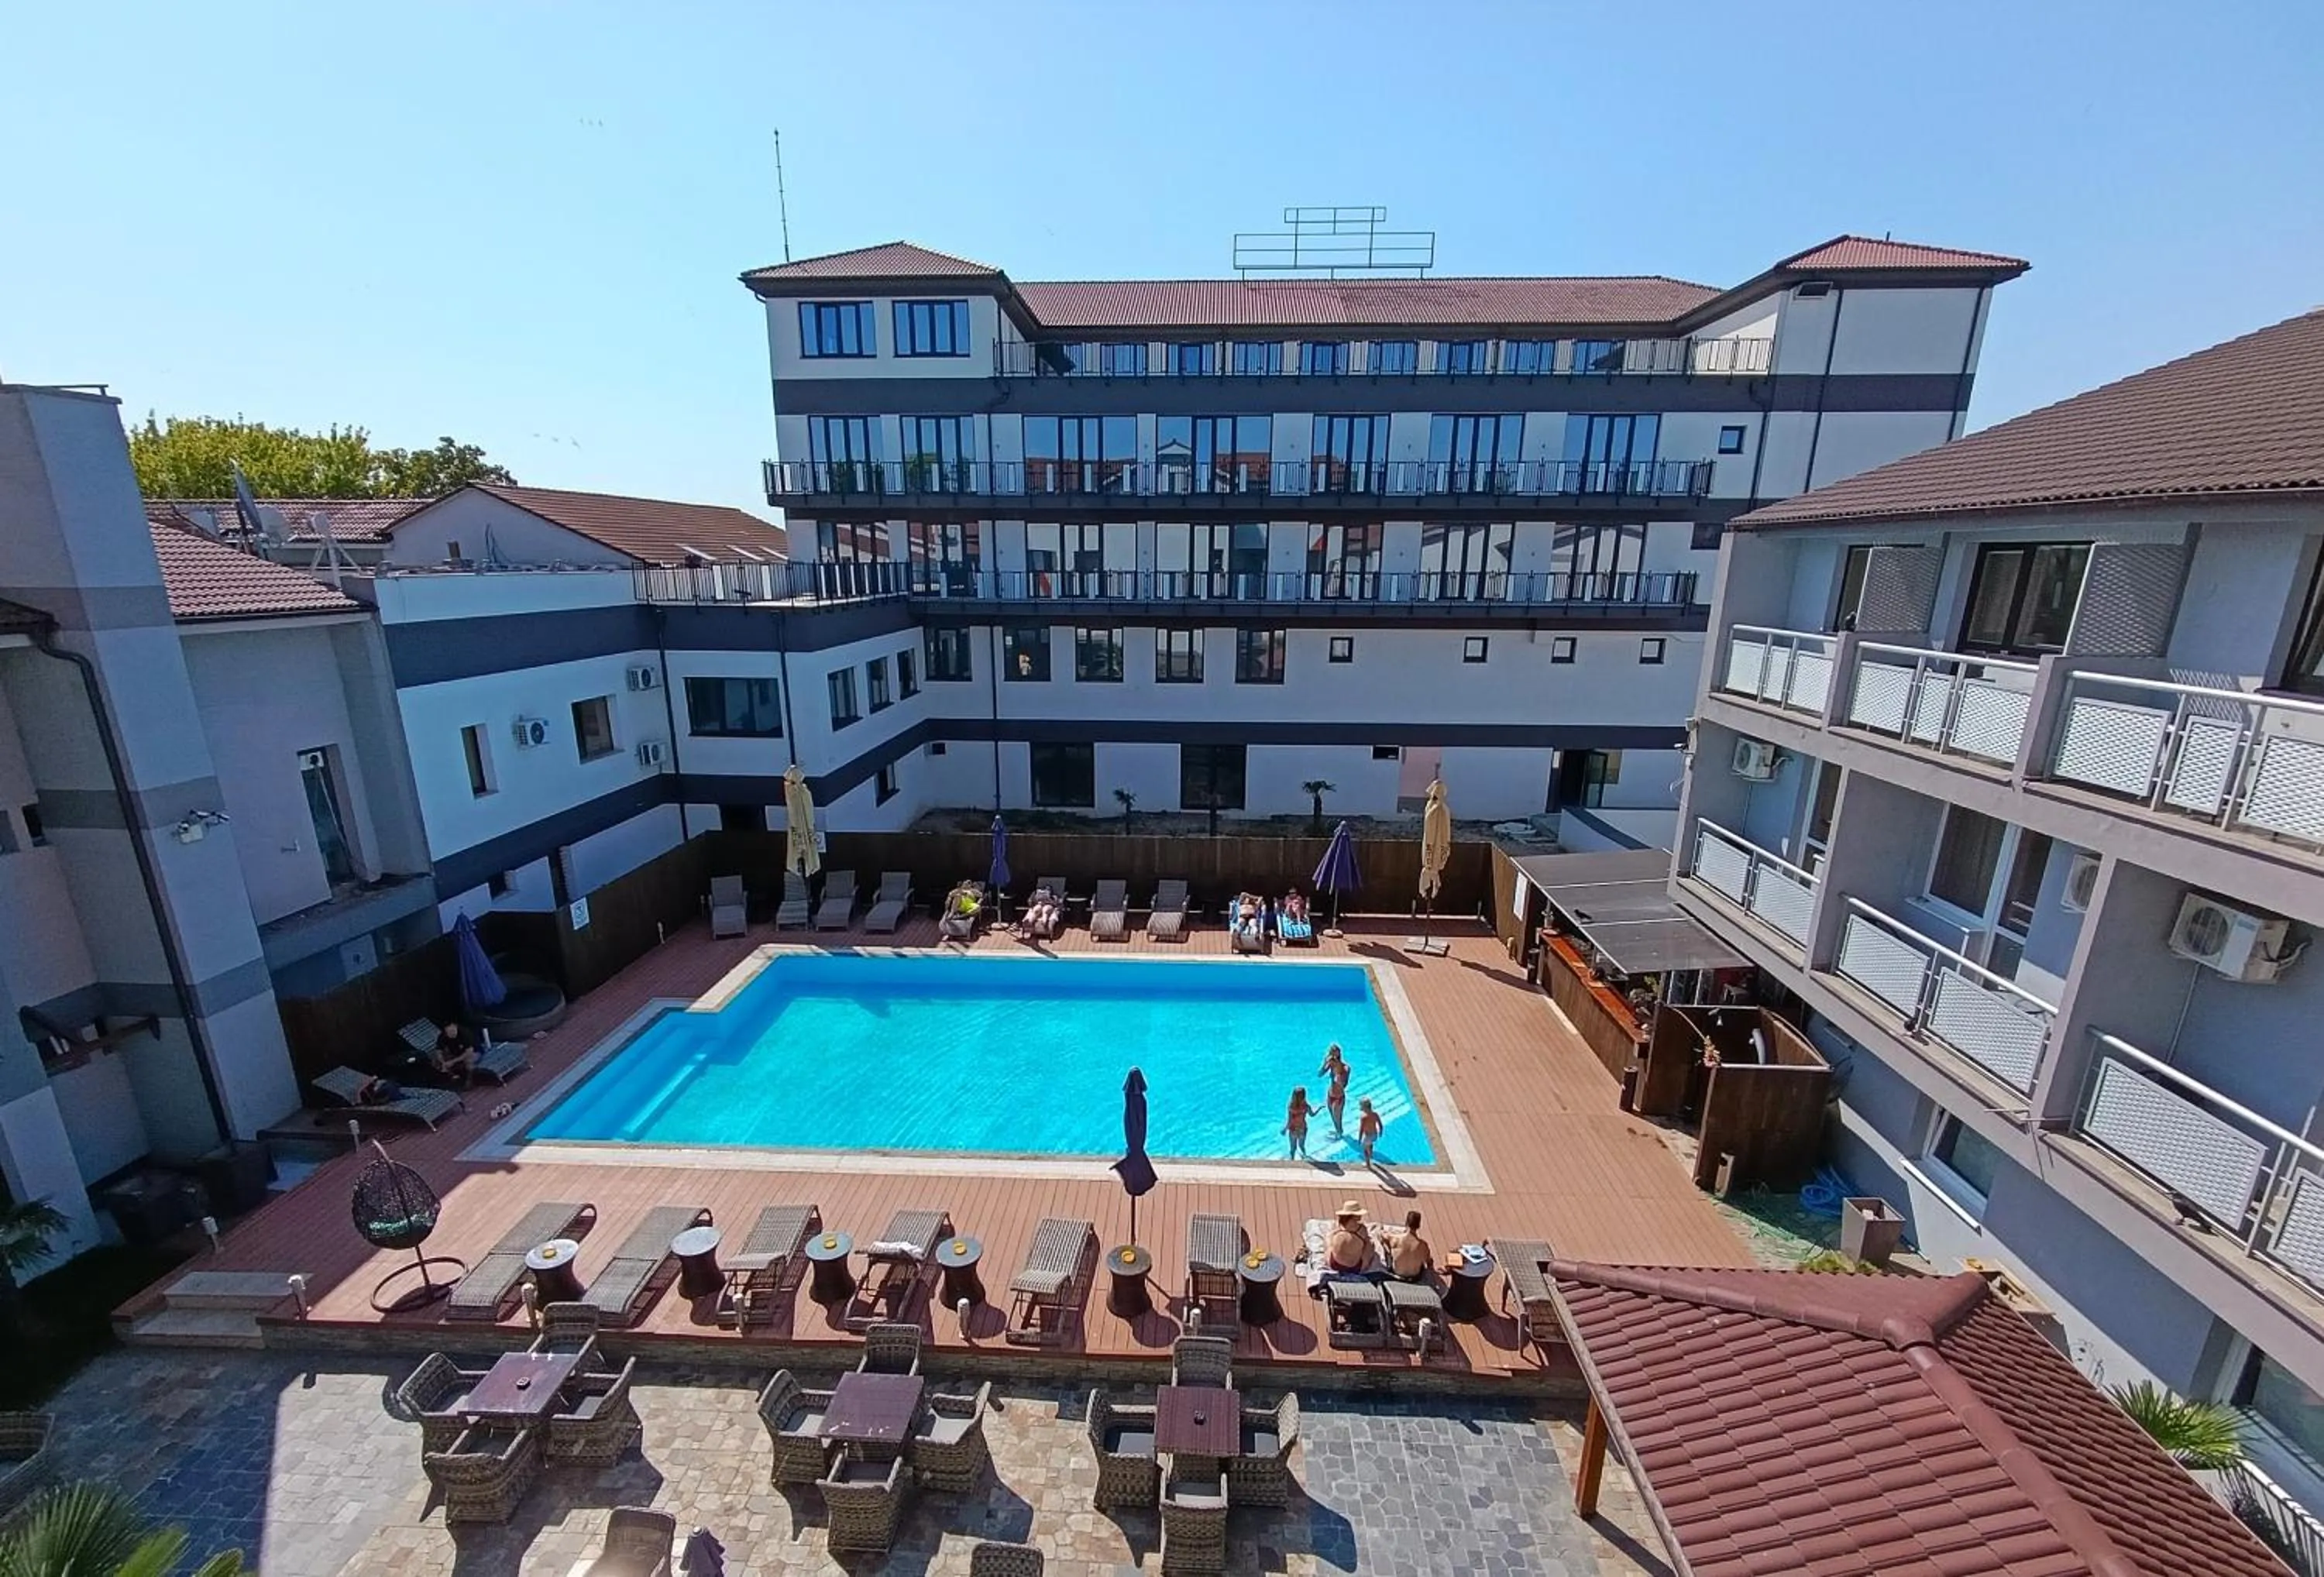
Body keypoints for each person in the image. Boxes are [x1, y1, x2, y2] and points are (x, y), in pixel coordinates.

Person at [1374, 1209, 1432, 1283]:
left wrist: (1389, 1247)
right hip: (1415, 1277)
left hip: (1397, 1274)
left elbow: (1381, 1235)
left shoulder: (1396, 1239)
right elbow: (1428, 1261)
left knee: (1387, 1248)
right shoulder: (1423, 1245)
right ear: (1419, 1226)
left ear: (1407, 1223)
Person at [1325, 1200, 1373, 1273]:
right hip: (1355, 1268)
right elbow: (1367, 1243)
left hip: (1334, 1264)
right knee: (1370, 1244)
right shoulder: (1362, 1229)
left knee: (1329, 1241)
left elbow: (1330, 1238)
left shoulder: (1338, 1226)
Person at [433, 1022, 480, 1087]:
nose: (452, 1034)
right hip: (455, 1053)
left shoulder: (465, 1034)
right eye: (449, 1032)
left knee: (469, 1062)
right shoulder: (442, 1036)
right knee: (436, 1060)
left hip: (473, 1052)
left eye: (453, 1031)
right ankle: (451, 1076)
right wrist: (443, 1062)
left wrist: (453, 1061)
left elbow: (469, 1052)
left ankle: (470, 1080)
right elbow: (438, 1050)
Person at [1319, 1043, 1351, 1136]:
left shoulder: (1346, 1068)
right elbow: (1319, 1074)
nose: (1333, 1059)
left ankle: (1340, 1133)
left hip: (1339, 1097)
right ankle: (1338, 1131)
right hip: (1330, 1095)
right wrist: (1325, 1063)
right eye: (1331, 1056)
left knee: (1338, 1119)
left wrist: (1338, 1078)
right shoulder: (1331, 1065)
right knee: (1333, 1117)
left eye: (1334, 1056)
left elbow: (1345, 1086)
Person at [1283, 1085, 1318, 1160]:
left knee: (1293, 1149)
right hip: (1302, 1128)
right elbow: (1312, 1115)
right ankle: (1305, 1160)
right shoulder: (1306, 1106)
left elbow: (1290, 1121)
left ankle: (1292, 1162)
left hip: (1293, 1129)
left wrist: (1285, 1129)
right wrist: (1319, 1109)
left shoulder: (1291, 1107)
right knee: (1302, 1146)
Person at [1356, 1097, 1384, 1166]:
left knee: (1365, 1149)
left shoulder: (1364, 1117)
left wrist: (1359, 1139)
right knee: (1370, 1144)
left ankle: (1367, 1163)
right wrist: (1380, 1132)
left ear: (1364, 1107)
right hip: (1374, 1134)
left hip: (1367, 1136)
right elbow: (1380, 1124)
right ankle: (1371, 1154)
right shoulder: (1375, 1114)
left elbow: (1361, 1129)